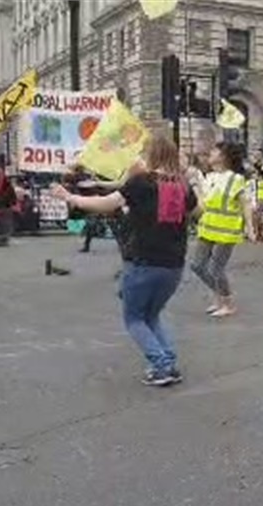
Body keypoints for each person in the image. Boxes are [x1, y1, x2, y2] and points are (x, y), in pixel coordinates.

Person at [50, 131, 198, 386]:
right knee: (151, 315)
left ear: (151, 154)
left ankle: (162, 365)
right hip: (173, 265)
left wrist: (70, 197)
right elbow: (197, 210)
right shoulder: (181, 186)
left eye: (143, 152)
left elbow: (107, 204)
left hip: (143, 260)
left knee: (134, 318)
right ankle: (169, 362)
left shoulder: (141, 182)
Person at [191, 141, 254, 317]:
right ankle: (221, 295)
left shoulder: (236, 179)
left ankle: (226, 302)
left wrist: (250, 227)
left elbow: (245, 203)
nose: (210, 153)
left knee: (215, 268)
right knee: (197, 265)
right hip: (207, 226)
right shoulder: (209, 177)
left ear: (224, 156)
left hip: (227, 229)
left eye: (215, 151)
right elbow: (203, 203)